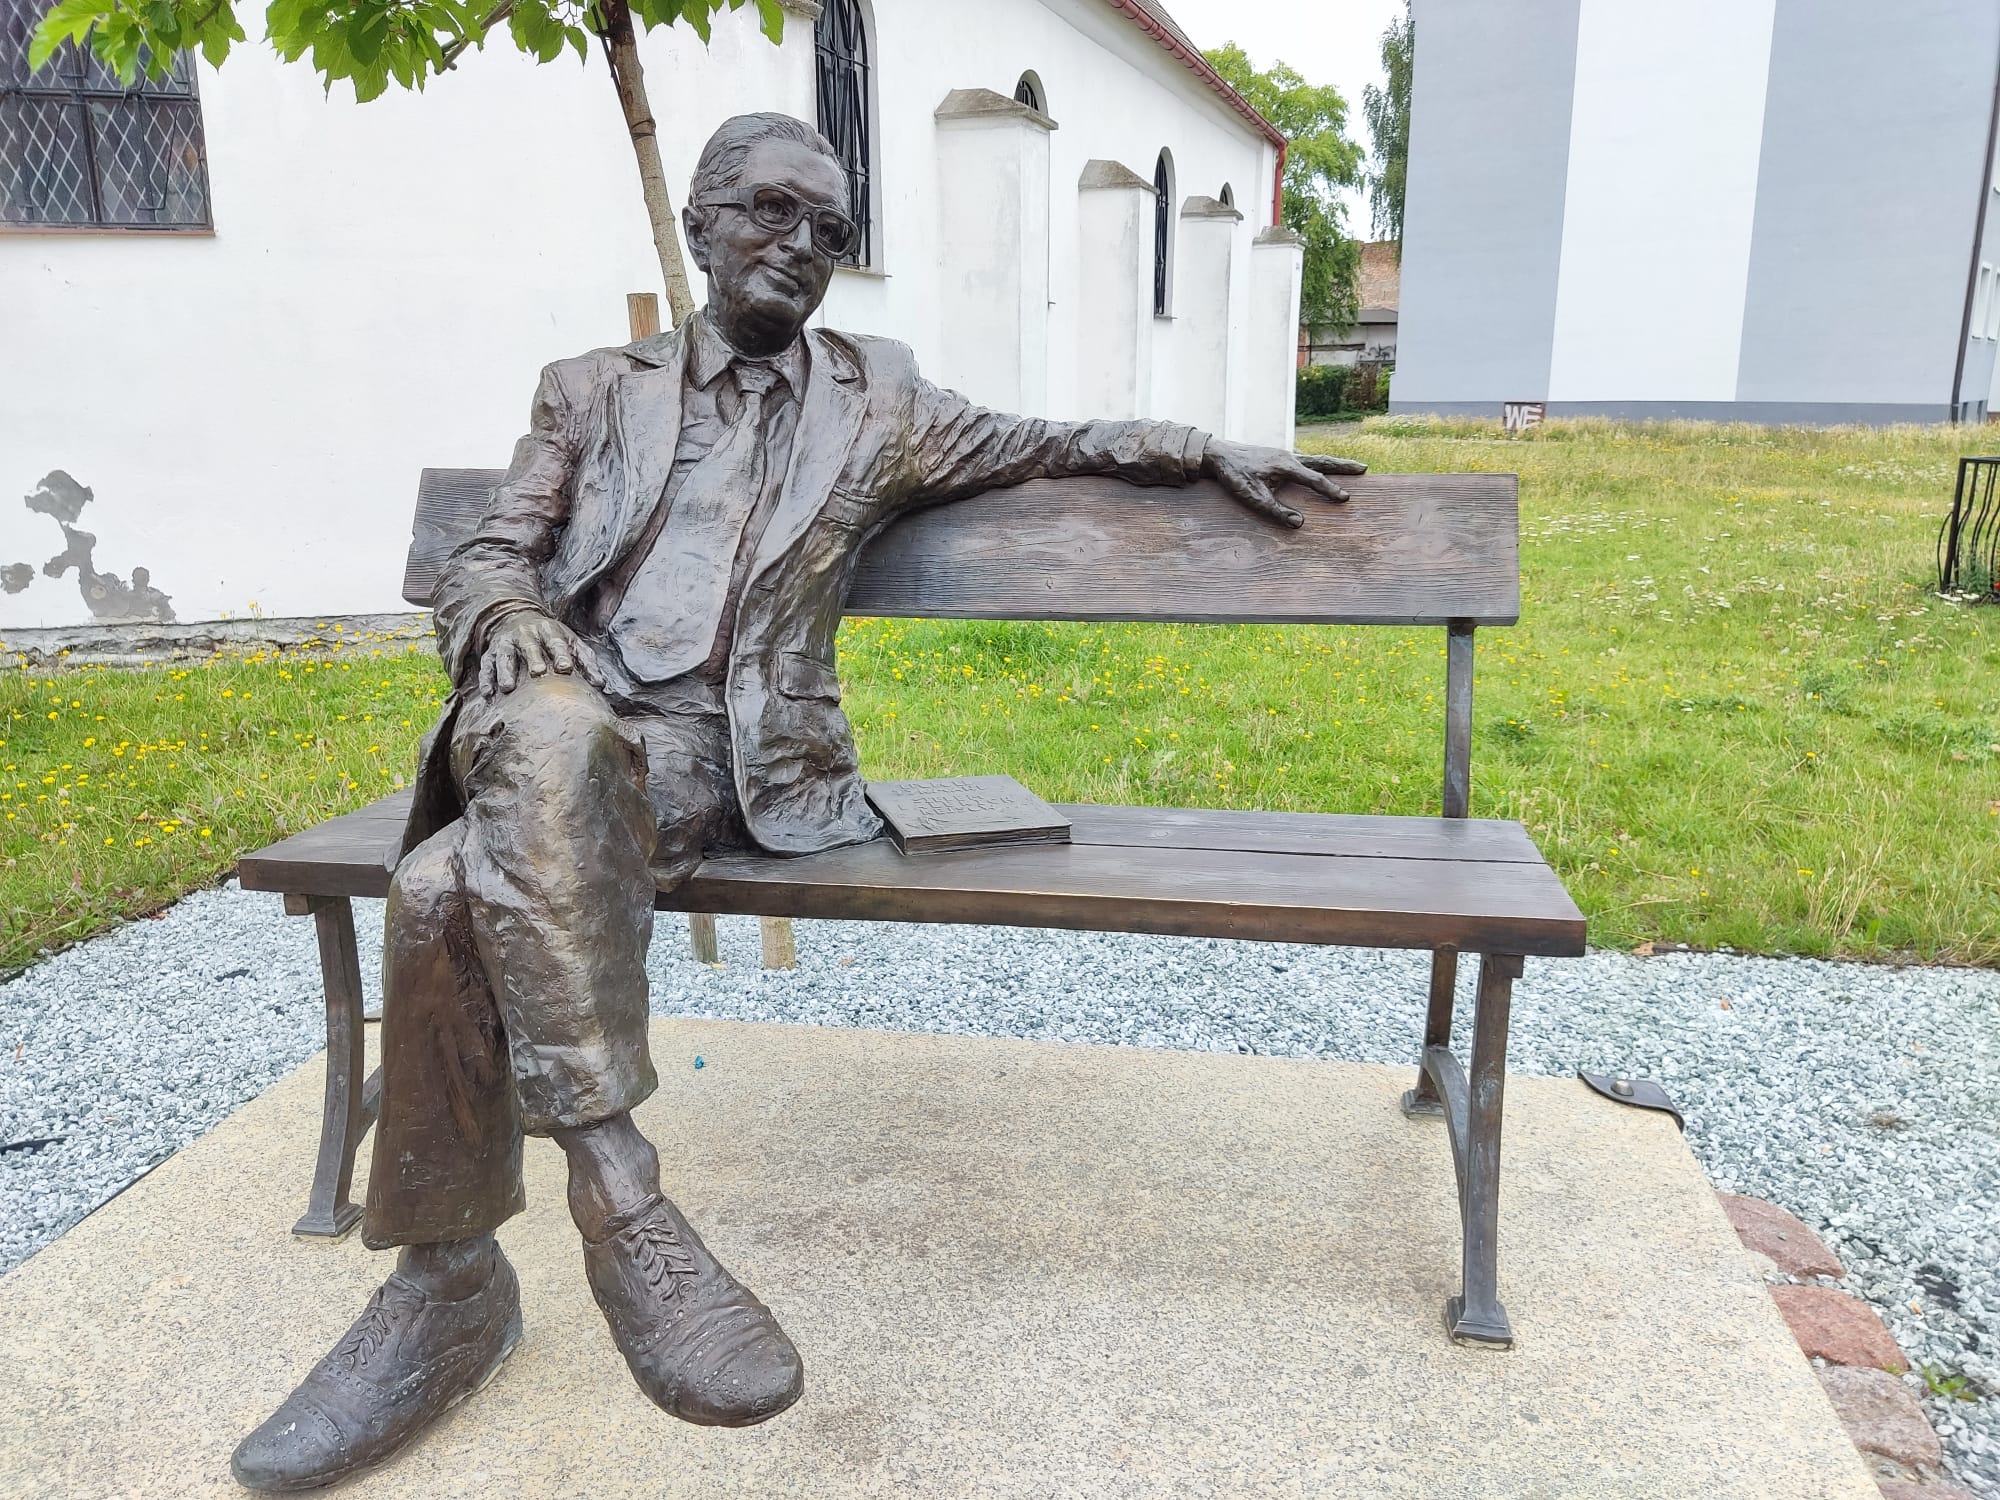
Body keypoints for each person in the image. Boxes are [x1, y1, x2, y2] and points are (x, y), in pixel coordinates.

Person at [231, 111, 1363, 1491]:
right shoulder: (590, 389)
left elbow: (1054, 441)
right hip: (549, 716)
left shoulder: (883, 399)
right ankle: (618, 1188)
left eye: (829, 231)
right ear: (703, 222)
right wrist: (508, 618)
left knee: (435, 890)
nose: (802, 246)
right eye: (773, 211)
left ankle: (445, 1290)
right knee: (552, 727)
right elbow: (491, 550)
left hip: (712, 759)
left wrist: (1199, 445)